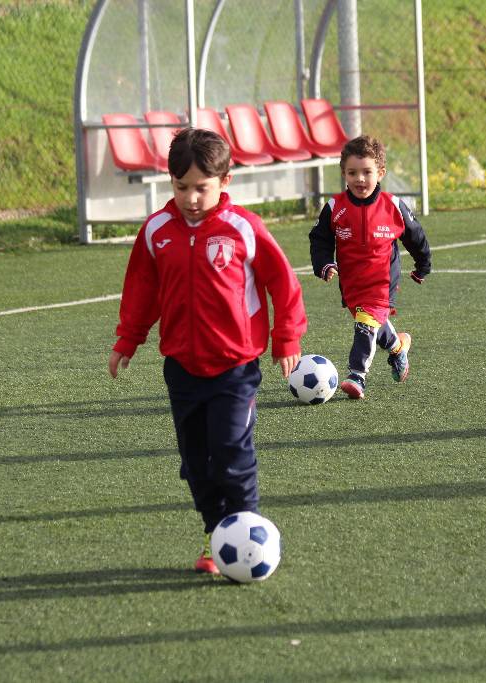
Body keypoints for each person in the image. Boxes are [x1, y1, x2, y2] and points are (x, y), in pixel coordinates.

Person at [108, 128, 307, 574]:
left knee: (232, 454)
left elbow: (283, 283)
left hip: (235, 367)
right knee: (196, 464)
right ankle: (214, 531)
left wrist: (286, 339)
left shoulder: (243, 228)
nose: (192, 197)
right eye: (182, 187)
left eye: (202, 187)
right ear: (170, 182)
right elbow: (141, 289)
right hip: (181, 368)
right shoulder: (157, 231)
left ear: (225, 181)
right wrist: (128, 338)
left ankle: (246, 534)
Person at [309, 135, 432, 400]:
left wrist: (423, 265)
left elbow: (416, 236)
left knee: (365, 325)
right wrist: (324, 263)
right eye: (352, 173)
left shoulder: (394, 206)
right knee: (370, 323)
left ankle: (357, 376)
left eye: (367, 172)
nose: (360, 179)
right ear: (343, 173)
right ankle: (399, 347)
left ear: (381, 173)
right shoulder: (335, 207)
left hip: (381, 284)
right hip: (353, 284)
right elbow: (319, 239)